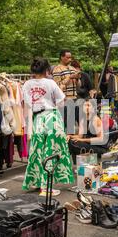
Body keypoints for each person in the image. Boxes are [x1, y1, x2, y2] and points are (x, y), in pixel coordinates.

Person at [22, 58, 74, 197]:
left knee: (37, 150)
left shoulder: (26, 84)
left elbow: (28, 103)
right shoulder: (50, 83)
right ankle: (47, 186)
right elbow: (61, 101)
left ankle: (36, 182)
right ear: (47, 70)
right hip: (52, 117)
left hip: (37, 119)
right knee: (51, 151)